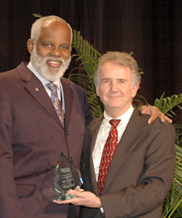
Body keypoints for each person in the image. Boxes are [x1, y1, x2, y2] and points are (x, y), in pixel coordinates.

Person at [0, 16, 169, 218]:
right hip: (28, 212)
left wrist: (144, 112)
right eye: (48, 44)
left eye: (64, 47)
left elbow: (97, 141)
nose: (56, 53)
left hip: (76, 212)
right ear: (31, 46)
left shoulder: (76, 93)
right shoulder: (1, 88)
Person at [53, 51, 176, 218]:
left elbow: (156, 188)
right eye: (106, 81)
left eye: (121, 81)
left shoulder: (157, 129)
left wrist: (102, 203)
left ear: (134, 88)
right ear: (97, 88)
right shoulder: (86, 130)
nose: (114, 89)